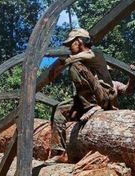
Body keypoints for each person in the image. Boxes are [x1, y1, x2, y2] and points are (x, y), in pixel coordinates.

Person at [49, 28, 118, 159]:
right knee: (59, 109)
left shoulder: (96, 53)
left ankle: (92, 106)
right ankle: (59, 153)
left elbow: (85, 56)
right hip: (84, 101)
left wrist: (65, 61)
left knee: (75, 66)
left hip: (103, 98)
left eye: (71, 43)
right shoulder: (76, 57)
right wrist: (54, 67)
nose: (69, 47)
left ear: (80, 41)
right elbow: (67, 59)